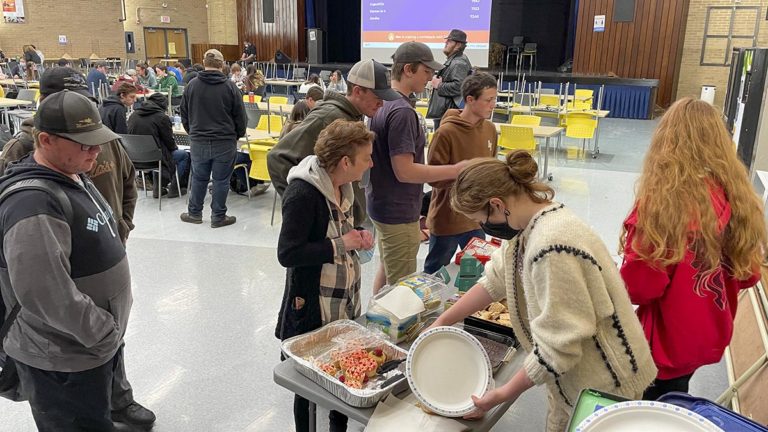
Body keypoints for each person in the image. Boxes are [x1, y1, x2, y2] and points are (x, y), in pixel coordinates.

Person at [433, 151, 657, 431]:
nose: (483, 228)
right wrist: (442, 322)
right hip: (570, 381)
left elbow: (559, 347)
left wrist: (502, 394)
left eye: (481, 220)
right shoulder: (527, 224)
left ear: (497, 204)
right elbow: (494, 280)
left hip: (604, 384)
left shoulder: (552, 246)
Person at [0, 90, 149, 431]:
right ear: (46, 140)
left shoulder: (73, 174)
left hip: (85, 346)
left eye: (96, 141)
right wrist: (101, 333)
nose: (95, 150)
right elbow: (45, 294)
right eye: (83, 144)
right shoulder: (33, 205)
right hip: (63, 357)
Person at [618, 97, 767, 400]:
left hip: (662, 344)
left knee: (650, 409)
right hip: (707, 334)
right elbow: (748, 276)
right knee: (676, 394)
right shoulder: (737, 198)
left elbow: (640, 288)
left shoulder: (662, 207)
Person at [275, 119, 375, 432]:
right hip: (313, 306)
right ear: (346, 162)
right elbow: (288, 254)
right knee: (309, 382)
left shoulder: (344, 185)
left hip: (342, 301)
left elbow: (338, 229)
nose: (370, 163)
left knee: (342, 371)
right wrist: (341, 244)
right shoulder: (303, 195)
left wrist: (356, 235)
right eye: (366, 158)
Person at [366, 42, 465, 293]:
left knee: (387, 269)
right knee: (400, 289)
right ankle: (386, 332)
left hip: (382, 203)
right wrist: (456, 170)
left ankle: (373, 321)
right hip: (398, 210)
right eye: (426, 71)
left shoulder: (384, 104)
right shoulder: (401, 112)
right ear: (408, 69)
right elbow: (406, 171)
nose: (431, 78)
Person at [268, 59, 399, 226]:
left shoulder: (352, 116)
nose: (381, 103)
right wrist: (306, 209)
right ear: (358, 91)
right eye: (377, 97)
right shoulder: (327, 117)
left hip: (345, 223)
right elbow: (277, 158)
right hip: (327, 230)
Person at [423, 72, 498, 274]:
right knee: (435, 274)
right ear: (470, 100)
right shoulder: (446, 133)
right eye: (489, 100)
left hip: (478, 218)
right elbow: (434, 179)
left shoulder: (490, 129)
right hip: (448, 218)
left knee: (475, 273)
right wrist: (465, 177)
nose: (493, 105)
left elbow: (492, 168)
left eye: (495, 99)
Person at [179, 48, 246, 228]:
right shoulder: (230, 87)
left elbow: (183, 113)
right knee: (221, 180)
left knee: (199, 178)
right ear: (222, 64)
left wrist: (192, 131)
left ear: (204, 62)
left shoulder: (191, 85)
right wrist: (236, 135)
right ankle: (218, 216)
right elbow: (241, 117)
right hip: (225, 141)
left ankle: (194, 213)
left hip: (198, 140)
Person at [128, 92, 190, 198]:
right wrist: (174, 148)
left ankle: (158, 188)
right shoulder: (161, 117)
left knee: (157, 150)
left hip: (136, 158)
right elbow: (170, 143)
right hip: (156, 158)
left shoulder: (133, 116)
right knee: (184, 155)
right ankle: (175, 187)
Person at [426, 29, 473, 129]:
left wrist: (439, 85)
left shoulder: (459, 63)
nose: (446, 43)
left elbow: (458, 87)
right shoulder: (455, 61)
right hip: (446, 114)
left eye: (450, 41)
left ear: (458, 45)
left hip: (449, 115)